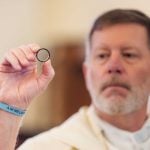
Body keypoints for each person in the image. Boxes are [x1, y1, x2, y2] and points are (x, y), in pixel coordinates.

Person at [0, 8, 150, 150]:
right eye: (102, 55)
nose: (113, 66)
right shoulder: (48, 146)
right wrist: (9, 110)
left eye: (129, 54)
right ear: (87, 73)